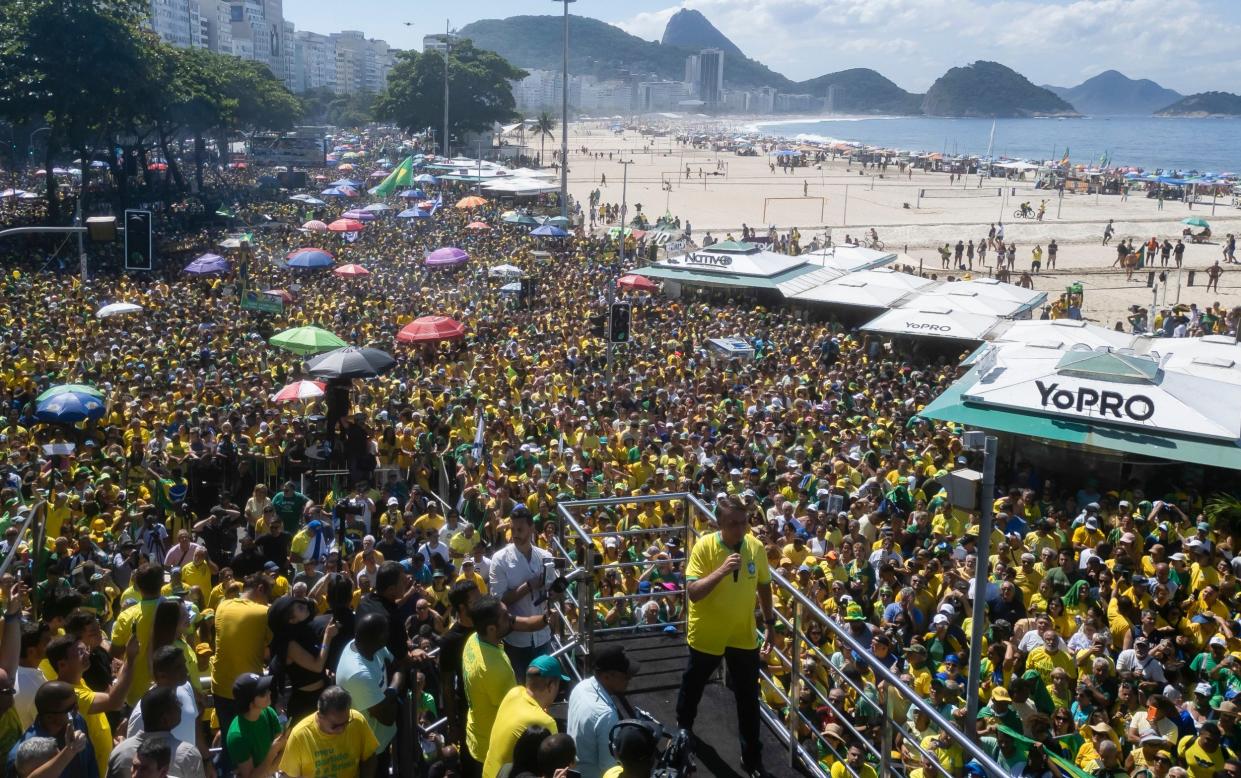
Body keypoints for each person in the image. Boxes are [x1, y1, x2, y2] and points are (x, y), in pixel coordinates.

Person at [677, 494, 776, 778]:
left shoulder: (755, 547)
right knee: (693, 684)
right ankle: (684, 730)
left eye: (744, 522)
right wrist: (721, 570)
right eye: (733, 523)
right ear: (718, 523)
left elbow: (765, 586)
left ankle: (752, 758)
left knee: (748, 698)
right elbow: (693, 593)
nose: (740, 529)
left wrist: (769, 623)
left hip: (743, 634)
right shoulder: (705, 547)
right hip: (708, 634)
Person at [45, 631, 139, 778]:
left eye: (85, 650)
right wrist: (131, 658)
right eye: (80, 652)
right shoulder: (71, 694)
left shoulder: (79, 681)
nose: (87, 654)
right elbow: (114, 702)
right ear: (62, 664)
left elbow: (111, 696)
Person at [212, 574, 272, 772]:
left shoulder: (222, 606)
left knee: (231, 747)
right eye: (268, 594)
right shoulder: (264, 612)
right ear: (261, 589)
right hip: (248, 692)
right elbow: (270, 650)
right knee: (251, 752)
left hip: (220, 688)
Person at [488, 506, 552, 680]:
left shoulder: (546, 556)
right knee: (519, 689)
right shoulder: (499, 559)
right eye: (512, 529)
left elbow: (554, 594)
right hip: (516, 640)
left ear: (531, 529)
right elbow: (498, 602)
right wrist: (528, 586)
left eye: (520, 529)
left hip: (543, 636)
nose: (515, 534)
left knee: (544, 688)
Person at [335, 613, 400, 776]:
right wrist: (394, 690)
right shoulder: (358, 674)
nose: (389, 635)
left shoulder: (369, 645)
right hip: (368, 751)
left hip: (380, 743)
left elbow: (398, 665)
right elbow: (387, 718)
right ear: (378, 638)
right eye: (386, 632)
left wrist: (390, 692)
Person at [482, 655, 566, 778]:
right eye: (559, 685)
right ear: (551, 686)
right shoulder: (545, 721)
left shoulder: (514, 692)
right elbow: (553, 765)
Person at [462, 595, 517, 778]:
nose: (510, 617)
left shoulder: (473, 639)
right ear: (492, 629)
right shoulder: (495, 669)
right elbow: (511, 712)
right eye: (505, 616)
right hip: (492, 751)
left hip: (476, 737)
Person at [568, 644, 640, 778]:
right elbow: (609, 766)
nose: (629, 679)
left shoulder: (580, 687)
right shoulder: (606, 716)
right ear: (607, 676)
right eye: (626, 676)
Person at [279, 686, 379, 778]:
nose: (342, 729)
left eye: (347, 722)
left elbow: (370, 756)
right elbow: (289, 775)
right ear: (320, 715)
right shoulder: (300, 735)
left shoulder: (357, 720)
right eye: (335, 726)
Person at [105, 686, 205, 778]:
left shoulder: (119, 751)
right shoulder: (188, 754)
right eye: (177, 704)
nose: (181, 705)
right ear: (165, 720)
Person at [7, 681, 97, 778]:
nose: (77, 709)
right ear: (49, 717)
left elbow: (91, 764)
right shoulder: (23, 755)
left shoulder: (77, 721)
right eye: (71, 708)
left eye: (76, 703)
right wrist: (69, 752)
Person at [225, 673, 286, 778]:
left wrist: (268, 770)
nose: (269, 692)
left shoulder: (268, 712)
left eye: (267, 689)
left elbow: (284, 752)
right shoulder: (237, 737)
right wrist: (272, 752)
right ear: (250, 703)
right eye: (263, 692)